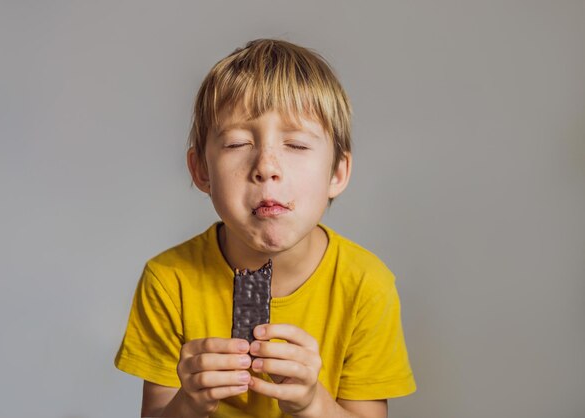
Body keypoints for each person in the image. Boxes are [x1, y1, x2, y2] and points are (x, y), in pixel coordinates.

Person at [114, 38, 416, 418]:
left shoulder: (366, 285)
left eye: (297, 146)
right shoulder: (169, 280)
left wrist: (313, 403)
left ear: (337, 173)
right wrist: (188, 403)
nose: (267, 166)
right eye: (238, 143)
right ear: (202, 171)